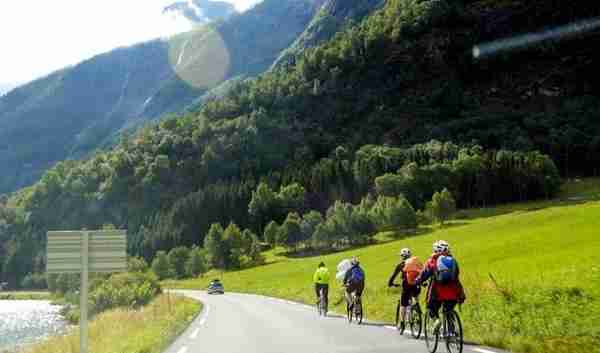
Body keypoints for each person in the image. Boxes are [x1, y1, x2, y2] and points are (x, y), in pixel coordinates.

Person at [416, 240, 465, 331]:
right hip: (454, 292)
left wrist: (417, 281)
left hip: (437, 292)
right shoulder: (453, 260)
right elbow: (456, 275)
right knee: (448, 310)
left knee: (430, 308)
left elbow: (424, 274)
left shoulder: (432, 260)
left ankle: (437, 321)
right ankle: (452, 332)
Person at [388, 248, 422, 331]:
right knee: (415, 295)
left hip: (406, 285)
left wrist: (390, 283)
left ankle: (402, 323)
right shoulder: (416, 262)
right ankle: (417, 306)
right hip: (416, 284)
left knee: (403, 304)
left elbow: (393, 276)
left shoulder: (401, 264)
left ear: (402, 256)